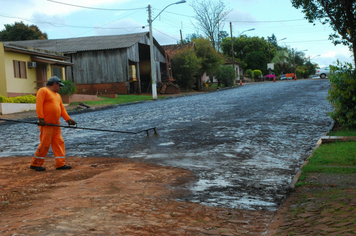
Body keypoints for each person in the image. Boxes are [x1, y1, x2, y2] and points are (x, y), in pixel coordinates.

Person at [30, 76, 76, 171]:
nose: (60, 88)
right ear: (55, 84)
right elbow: (39, 105)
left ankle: (60, 164)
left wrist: (68, 119)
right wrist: (41, 118)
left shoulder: (57, 95)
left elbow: (62, 109)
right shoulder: (43, 91)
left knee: (59, 142)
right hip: (46, 124)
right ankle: (36, 164)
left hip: (56, 124)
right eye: (59, 86)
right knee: (45, 144)